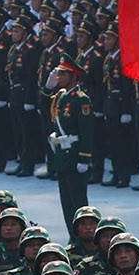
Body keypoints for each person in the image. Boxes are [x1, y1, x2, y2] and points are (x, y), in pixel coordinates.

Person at [48, 58, 94, 224]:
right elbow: (45, 108)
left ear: (73, 76)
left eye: (63, 74)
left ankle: (84, 238)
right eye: (58, 73)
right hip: (62, 154)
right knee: (66, 202)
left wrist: (84, 158)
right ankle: (73, 237)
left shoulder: (81, 100)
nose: (59, 77)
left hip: (74, 154)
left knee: (78, 203)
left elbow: (87, 132)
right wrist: (47, 88)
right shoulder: (61, 96)